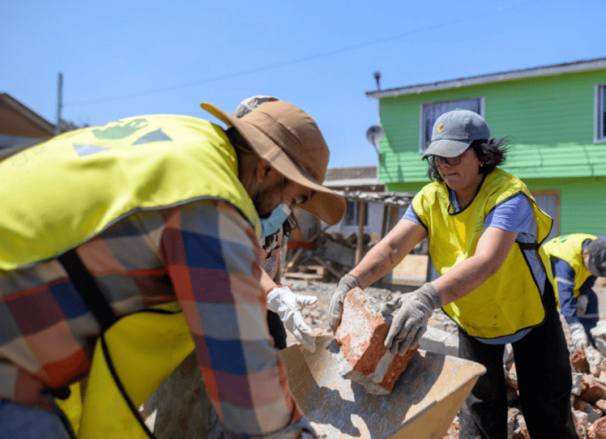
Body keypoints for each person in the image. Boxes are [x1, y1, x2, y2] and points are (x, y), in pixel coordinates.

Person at [0, 99, 346, 438]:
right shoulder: (211, 200)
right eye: (294, 199)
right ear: (266, 169)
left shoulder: (185, 142)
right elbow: (245, 383)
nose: (288, 210)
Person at [328, 110, 577, 439]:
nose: (445, 165)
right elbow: (391, 249)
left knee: (549, 413)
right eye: (438, 157)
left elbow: (487, 261)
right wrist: (352, 281)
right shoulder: (431, 198)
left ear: (481, 154)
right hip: (474, 317)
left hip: (528, 311)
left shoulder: (508, 195)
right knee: (479, 415)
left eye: (455, 155)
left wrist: (426, 298)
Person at [233, 95, 315, 350]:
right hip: (239, 296)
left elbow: (276, 247)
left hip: (268, 296)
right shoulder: (230, 198)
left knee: (277, 345)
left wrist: (279, 291)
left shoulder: (278, 201)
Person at [543, 234, 606, 350]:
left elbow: (590, 277)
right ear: (585, 254)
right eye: (592, 267)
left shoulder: (597, 249)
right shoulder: (566, 260)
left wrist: (584, 295)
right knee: (548, 323)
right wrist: (574, 325)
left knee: (591, 299)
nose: (592, 271)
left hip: (568, 285)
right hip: (545, 290)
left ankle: (591, 345)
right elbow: (565, 294)